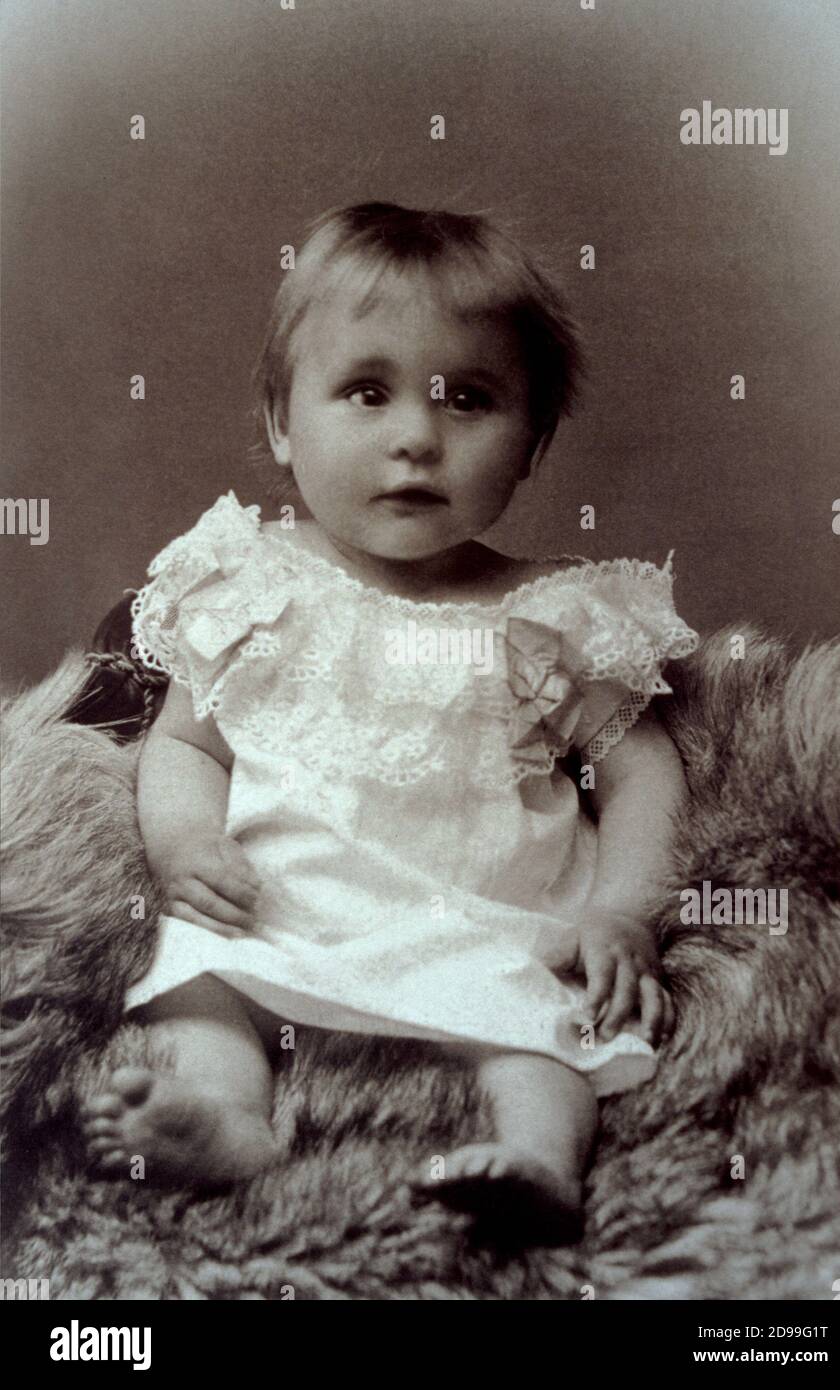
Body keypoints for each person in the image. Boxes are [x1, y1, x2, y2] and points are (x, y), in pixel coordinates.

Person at [83, 202, 698, 1246]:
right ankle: (230, 1122)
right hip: (279, 907)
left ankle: (537, 1165)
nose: (416, 435)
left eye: (469, 399)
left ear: (532, 441)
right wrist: (187, 842)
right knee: (193, 982)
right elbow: (186, 740)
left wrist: (624, 911)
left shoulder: (547, 616)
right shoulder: (252, 582)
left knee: (539, 1036)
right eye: (366, 391)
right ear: (283, 421)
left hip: (478, 921)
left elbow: (639, 772)